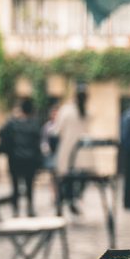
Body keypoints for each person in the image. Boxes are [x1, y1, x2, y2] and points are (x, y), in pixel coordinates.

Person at [0, 98, 44, 217]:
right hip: (30, 160)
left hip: (15, 159)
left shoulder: (12, 123)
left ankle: (16, 211)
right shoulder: (35, 124)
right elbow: (38, 141)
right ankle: (30, 209)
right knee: (29, 186)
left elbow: (0, 132)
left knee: (15, 186)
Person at [53, 84, 89, 215]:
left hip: (67, 151)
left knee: (64, 179)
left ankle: (62, 205)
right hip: (81, 154)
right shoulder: (85, 112)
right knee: (79, 179)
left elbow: (57, 130)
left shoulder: (66, 110)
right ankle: (73, 200)